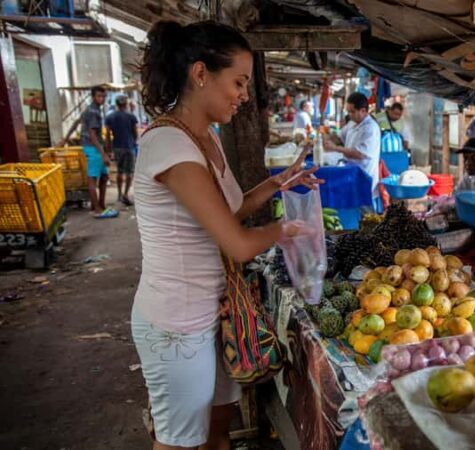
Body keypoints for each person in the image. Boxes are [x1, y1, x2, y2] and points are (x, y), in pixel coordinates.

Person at [134, 20, 321, 450]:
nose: (243, 95)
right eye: (237, 82)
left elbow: (229, 210)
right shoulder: (169, 146)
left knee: (217, 433)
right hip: (176, 325)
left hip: (212, 313)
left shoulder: (206, 138)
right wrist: (286, 229)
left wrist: (278, 184)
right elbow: (235, 241)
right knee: (180, 441)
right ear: (200, 74)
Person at [324, 92, 381, 207]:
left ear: (363, 111)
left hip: (364, 174)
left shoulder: (370, 128)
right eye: (348, 111)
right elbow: (339, 137)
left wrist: (336, 148)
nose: (349, 115)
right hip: (351, 172)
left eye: (352, 112)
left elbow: (360, 154)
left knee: (365, 210)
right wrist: (326, 136)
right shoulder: (352, 123)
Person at [80, 85, 117, 218]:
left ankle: (101, 205)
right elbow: (92, 134)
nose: (101, 99)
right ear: (93, 96)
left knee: (104, 177)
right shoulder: (93, 112)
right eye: (99, 96)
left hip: (95, 147)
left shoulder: (92, 110)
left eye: (103, 96)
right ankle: (97, 209)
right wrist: (103, 154)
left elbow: (77, 123)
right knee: (92, 179)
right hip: (92, 148)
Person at [104, 95, 139, 205]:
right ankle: (126, 193)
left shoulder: (110, 117)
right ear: (125, 104)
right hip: (129, 147)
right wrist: (133, 142)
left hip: (117, 147)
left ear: (117, 104)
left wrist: (109, 149)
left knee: (120, 171)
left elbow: (108, 135)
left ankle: (119, 195)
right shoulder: (131, 117)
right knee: (129, 172)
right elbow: (135, 132)